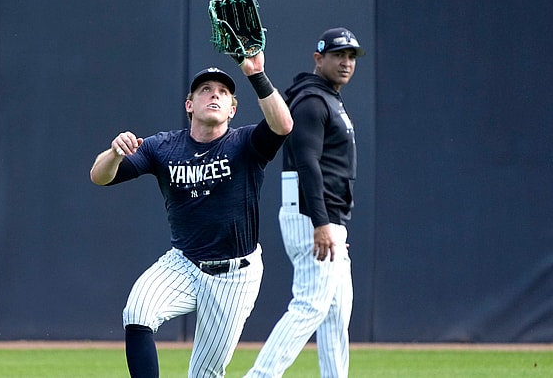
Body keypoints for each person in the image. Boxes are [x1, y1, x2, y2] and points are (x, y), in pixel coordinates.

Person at [90, 51, 293, 378]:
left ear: (232, 108)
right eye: (205, 90)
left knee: (204, 375)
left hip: (234, 275)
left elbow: (283, 125)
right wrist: (114, 153)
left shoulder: (244, 143)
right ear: (189, 105)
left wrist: (256, 74)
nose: (214, 94)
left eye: (223, 92)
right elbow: (100, 176)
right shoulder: (163, 147)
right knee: (138, 311)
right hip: (183, 262)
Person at [245, 27, 365, 378]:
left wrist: (331, 222)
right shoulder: (312, 100)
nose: (345, 62)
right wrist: (321, 222)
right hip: (312, 214)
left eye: (351, 56)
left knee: (336, 312)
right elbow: (306, 162)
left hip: (325, 216)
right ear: (318, 58)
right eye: (338, 55)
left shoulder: (327, 97)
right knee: (310, 305)